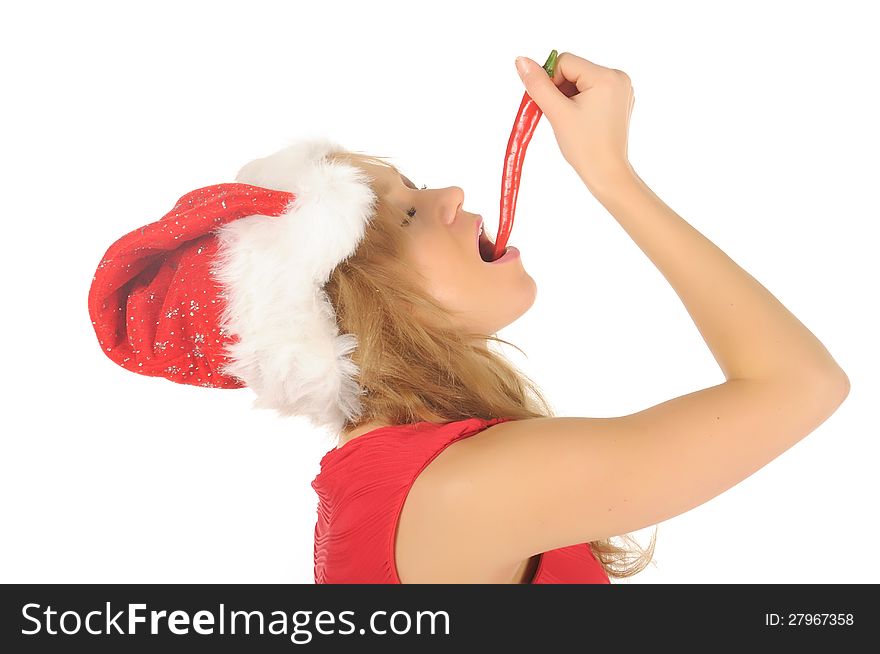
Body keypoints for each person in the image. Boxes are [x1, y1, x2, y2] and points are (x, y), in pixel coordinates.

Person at [89, 52, 850, 584]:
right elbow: (800, 384)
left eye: (416, 189)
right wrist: (611, 174)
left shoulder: (412, 473)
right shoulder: (456, 490)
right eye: (411, 215)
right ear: (356, 304)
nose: (451, 196)